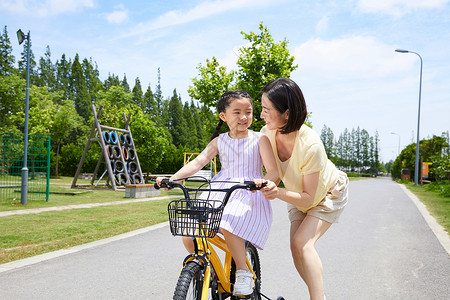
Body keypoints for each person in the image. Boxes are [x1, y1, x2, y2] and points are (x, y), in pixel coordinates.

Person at [156, 90, 278, 296]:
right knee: (190, 230)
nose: (244, 117)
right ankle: (207, 269)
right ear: (223, 116)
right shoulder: (219, 141)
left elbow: (273, 171)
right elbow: (197, 162)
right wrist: (173, 178)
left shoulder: (260, 139)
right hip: (219, 188)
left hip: (248, 190)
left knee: (228, 223)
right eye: (237, 112)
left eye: (248, 112)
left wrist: (265, 182)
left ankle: (243, 270)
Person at [258, 78, 348, 300]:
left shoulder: (311, 145)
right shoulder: (267, 133)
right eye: (262, 109)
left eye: (267, 110)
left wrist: (276, 192)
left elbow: (309, 199)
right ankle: (318, 294)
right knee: (295, 249)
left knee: (302, 243)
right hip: (298, 194)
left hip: (327, 193)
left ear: (286, 114)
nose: (262, 115)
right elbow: (274, 173)